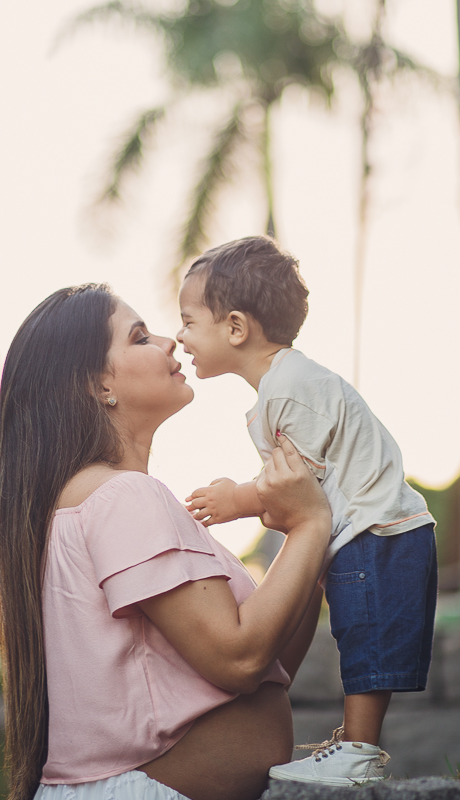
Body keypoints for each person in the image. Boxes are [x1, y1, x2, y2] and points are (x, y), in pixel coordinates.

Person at [0, 284, 334, 800]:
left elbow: (269, 661)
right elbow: (238, 661)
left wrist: (303, 548)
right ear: (97, 384)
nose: (169, 341)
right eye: (138, 337)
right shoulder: (123, 496)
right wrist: (311, 526)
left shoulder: (99, 499)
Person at [178, 236, 438, 786]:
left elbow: (301, 485)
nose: (180, 337)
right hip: (370, 531)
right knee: (358, 638)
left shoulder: (291, 390)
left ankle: (362, 752)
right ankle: (356, 744)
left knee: (366, 643)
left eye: (189, 321)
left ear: (235, 328)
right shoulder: (284, 386)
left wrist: (238, 499)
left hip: (378, 532)